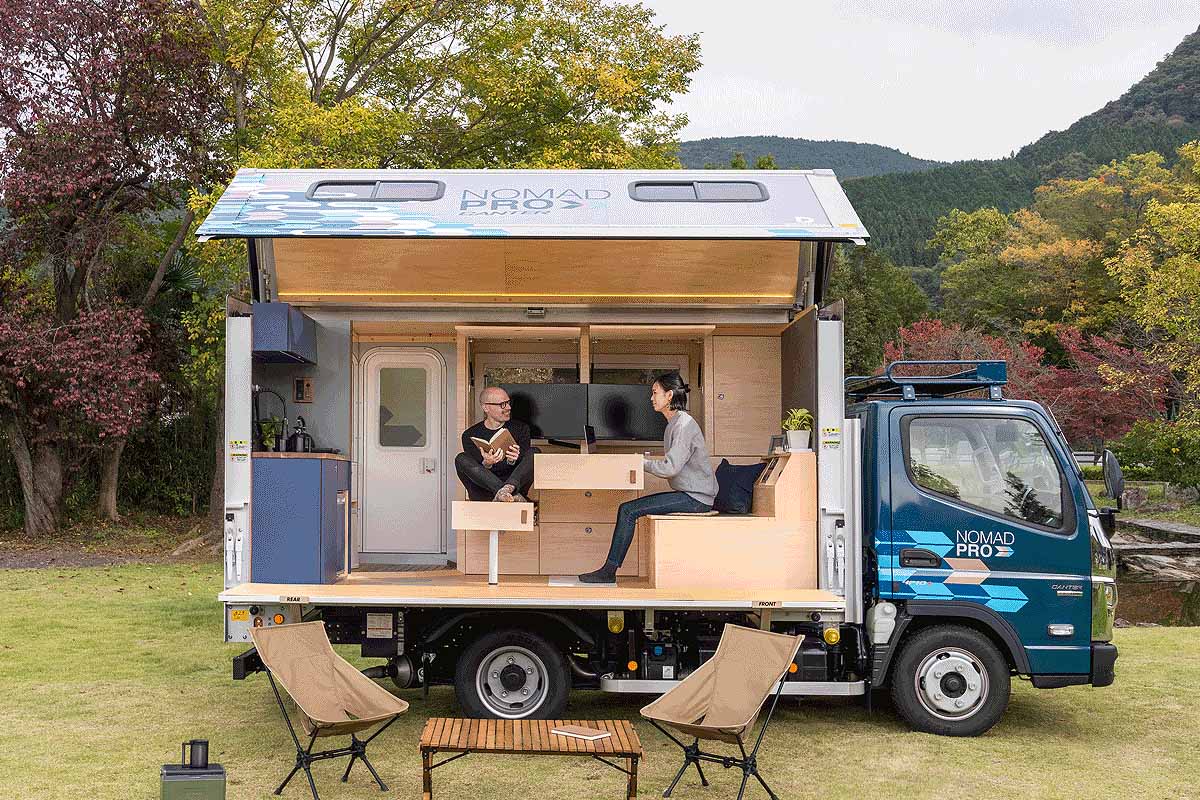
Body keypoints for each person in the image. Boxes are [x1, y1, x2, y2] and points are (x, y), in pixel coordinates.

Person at [578, 372, 717, 583]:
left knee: (628, 510)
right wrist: (643, 460)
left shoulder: (683, 426)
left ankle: (608, 571)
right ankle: (609, 570)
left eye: (655, 392)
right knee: (628, 509)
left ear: (669, 395)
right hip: (691, 495)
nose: (651, 398)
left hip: (696, 499)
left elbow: (670, 468)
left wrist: (641, 463)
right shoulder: (675, 423)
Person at [456, 386, 534, 502]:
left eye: (508, 403)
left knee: (534, 452)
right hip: (486, 492)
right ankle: (502, 492)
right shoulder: (469, 435)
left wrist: (512, 460)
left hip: (513, 486)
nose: (508, 408)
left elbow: (523, 467)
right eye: (502, 404)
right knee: (461, 458)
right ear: (486, 407)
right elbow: (476, 473)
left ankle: (507, 489)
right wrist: (487, 464)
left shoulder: (521, 429)